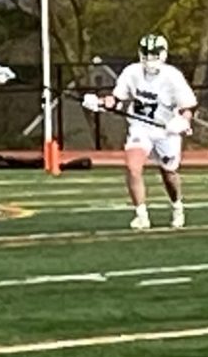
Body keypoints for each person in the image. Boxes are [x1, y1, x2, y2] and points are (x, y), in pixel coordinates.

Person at [84, 33, 196, 231]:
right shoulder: (132, 72)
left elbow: (188, 106)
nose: (150, 59)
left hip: (166, 130)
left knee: (169, 172)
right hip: (140, 127)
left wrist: (182, 121)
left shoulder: (173, 77)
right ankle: (141, 215)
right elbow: (117, 99)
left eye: (154, 54)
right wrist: (100, 102)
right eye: (146, 54)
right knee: (133, 167)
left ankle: (177, 206)